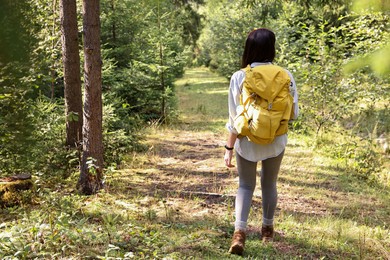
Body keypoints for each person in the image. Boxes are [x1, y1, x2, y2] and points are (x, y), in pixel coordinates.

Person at [224, 28, 299, 255]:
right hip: (276, 139)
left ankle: (239, 233)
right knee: (269, 183)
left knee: (246, 185)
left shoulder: (240, 76)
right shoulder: (286, 76)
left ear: (249, 48)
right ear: (272, 48)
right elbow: (294, 114)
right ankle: (267, 230)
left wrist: (228, 147)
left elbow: (233, 119)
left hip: (247, 139)